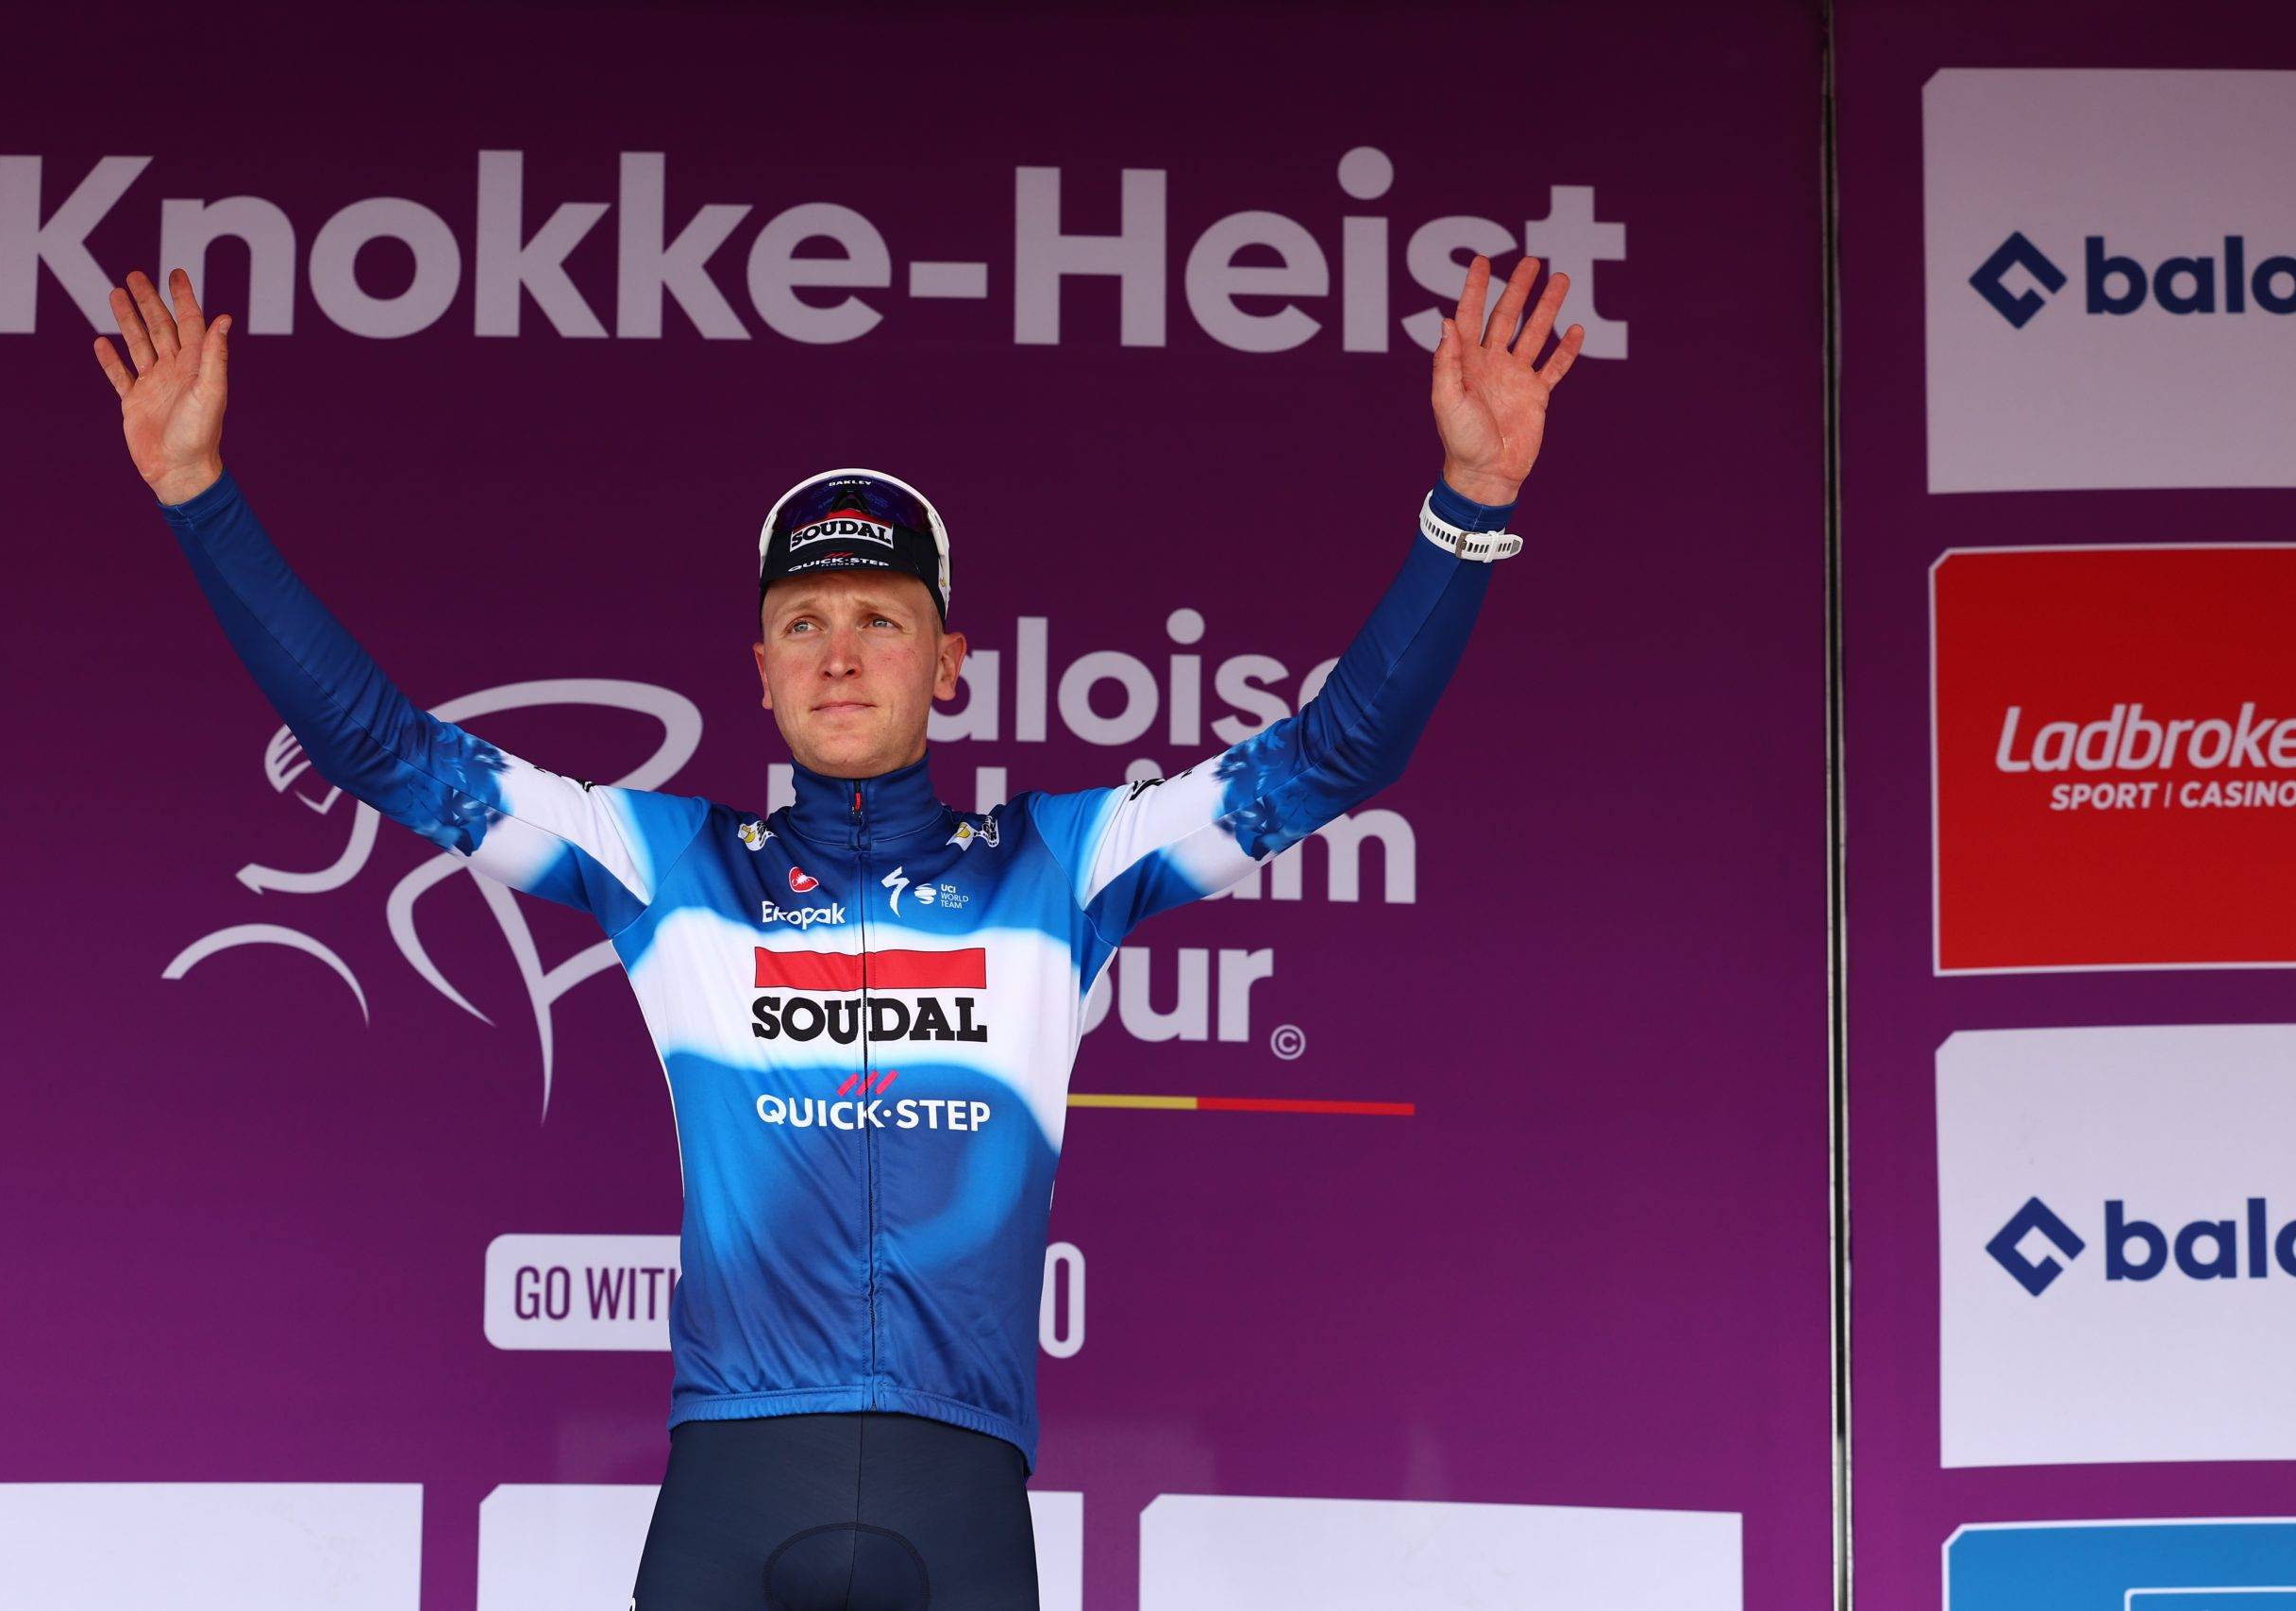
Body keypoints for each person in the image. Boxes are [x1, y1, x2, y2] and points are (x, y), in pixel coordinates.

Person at [92, 254, 1584, 1611]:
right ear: (758, 671)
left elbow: (1335, 756)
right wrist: (198, 494)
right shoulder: (664, 862)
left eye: (880, 615)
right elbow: (383, 749)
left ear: (949, 661)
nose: (842, 651)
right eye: (804, 623)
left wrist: (1471, 507)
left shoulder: (1062, 862)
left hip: (963, 1502)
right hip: (734, 1490)